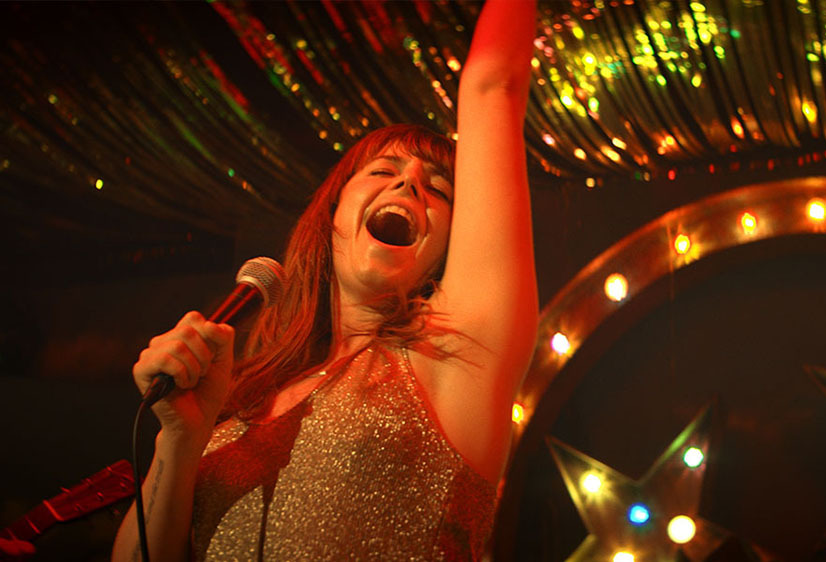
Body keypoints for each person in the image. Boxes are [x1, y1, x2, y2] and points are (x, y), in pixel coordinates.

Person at [111, 0, 538, 559]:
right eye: (382, 171)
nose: (409, 183)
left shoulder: (455, 358)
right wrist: (181, 438)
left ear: (445, 252)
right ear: (333, 213)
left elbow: (493, 87)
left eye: (438, 188)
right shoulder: (238, 399)